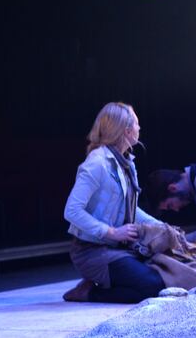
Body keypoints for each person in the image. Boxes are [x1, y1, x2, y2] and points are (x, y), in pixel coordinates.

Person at [62, 102, 166, 303]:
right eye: (136, 124)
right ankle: (89, 292)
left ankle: (102, 281)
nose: (139, 128)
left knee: (162, 275)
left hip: (117, 247)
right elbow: (72, 210)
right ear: (127, 131)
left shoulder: (125, 162)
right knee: (151, 286)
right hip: (91, 250)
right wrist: (112, 232)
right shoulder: (97, 163)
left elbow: (129, 209)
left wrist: (162, 227)